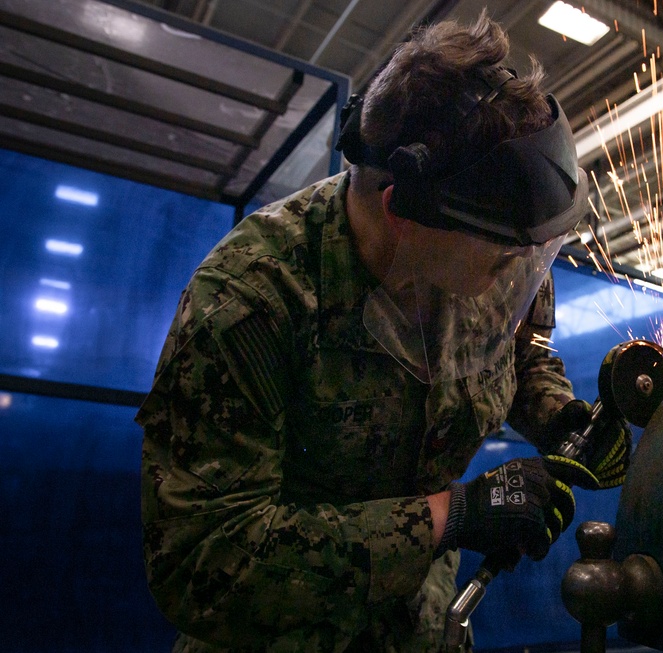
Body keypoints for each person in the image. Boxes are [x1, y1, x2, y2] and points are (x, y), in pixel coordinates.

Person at [137, 13, 629, 652]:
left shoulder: (489, 244)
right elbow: (198, 564)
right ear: (402, 210)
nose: (521, 271)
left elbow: (522, 350)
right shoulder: (251, 299)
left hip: (425, 632)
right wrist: (452, 517)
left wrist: (560, 417)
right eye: (506, 255)